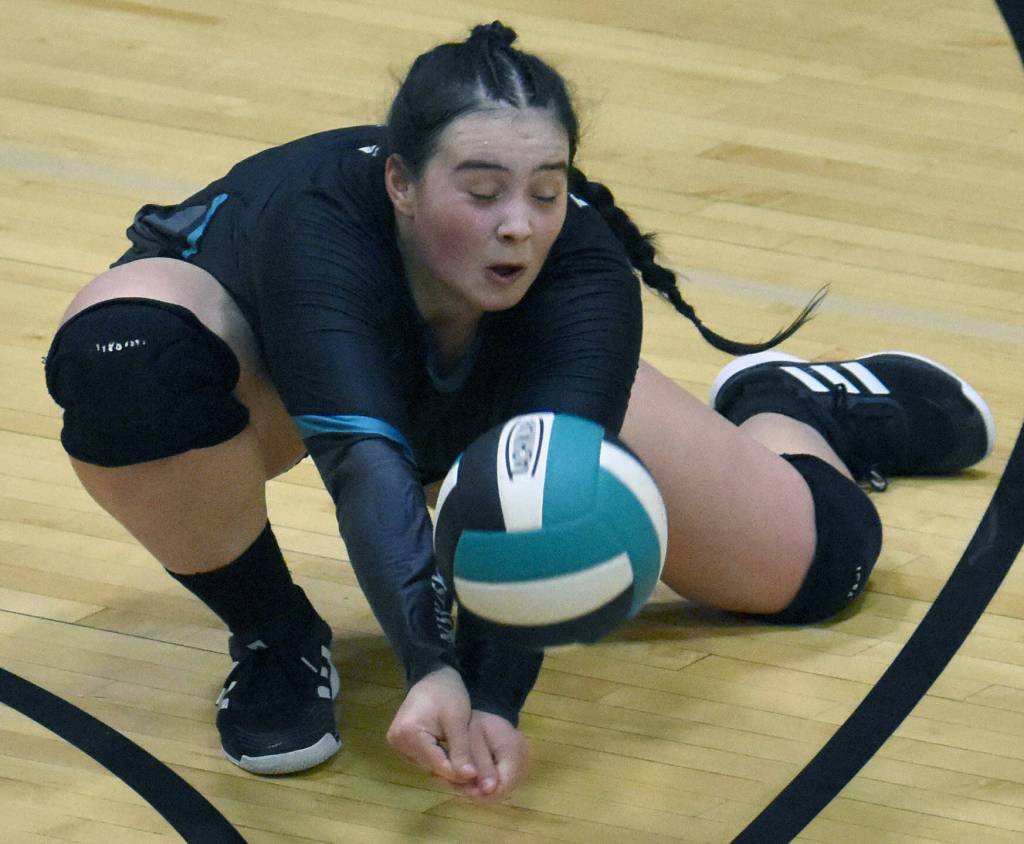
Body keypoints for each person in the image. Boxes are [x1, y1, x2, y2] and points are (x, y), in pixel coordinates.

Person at [43, 22, 994, 802]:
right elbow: (362, 465)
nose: (519, 225)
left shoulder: (583, 276)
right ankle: (276, 639)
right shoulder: (316, 227)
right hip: (272, 372)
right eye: (483, 190)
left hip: (472, 382)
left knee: (823, 568)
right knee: (127, 365)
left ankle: (789, 405)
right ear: (402, 184)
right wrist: (430, 666)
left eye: (548, 191)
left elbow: (549, 499)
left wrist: (495, 695)